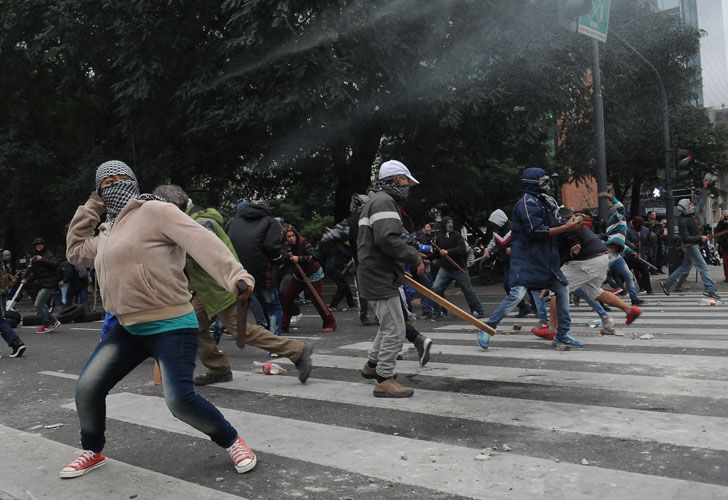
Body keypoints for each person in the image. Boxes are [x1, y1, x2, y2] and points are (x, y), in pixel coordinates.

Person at [63, 160, 258, 479]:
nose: (113, 184)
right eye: (105, 182)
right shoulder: (105, 231)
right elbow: (74, 252)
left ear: (133, 181)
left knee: (180, 401)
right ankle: (92, 449)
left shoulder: (156, 212)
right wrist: (90, 208)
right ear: (98, 191)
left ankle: (232, 440)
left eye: (119, 178)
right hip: (127, 328)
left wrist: (235, 274)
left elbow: (201, 240)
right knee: (87, 388)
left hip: (172, 324)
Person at [152, 184, 314, 386]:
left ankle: (298, 350)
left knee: (242, 331)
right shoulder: (192, 220)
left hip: (222, 285)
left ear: (174, 206)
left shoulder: (200, 223)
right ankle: (218, 368)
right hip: (207, 289)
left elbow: (210, 254)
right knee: (194, 326)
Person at [358, 160, 424, 398]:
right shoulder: (385, 201)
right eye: (406, 180)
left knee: (388, 325)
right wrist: (414, 257)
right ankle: (385, 378)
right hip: (379, 275)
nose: (407, 185)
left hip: (375, 273)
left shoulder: (374, 201)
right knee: (396, 329)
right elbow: (388, 240)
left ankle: (372, 366)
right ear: (397, 180)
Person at [497, 167, 583, 349]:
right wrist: (567, 228)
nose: (547, 182)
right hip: (528, 261)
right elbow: (537, 231)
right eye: (543, 179)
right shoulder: (526, 204)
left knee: (562, 290)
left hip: (547, 260)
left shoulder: (547, 201)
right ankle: (487, 327)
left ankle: (562, 334)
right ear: (532, 182)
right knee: (517, 295)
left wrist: (571, 227)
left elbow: (557, 223)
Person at [227, 199, 284, 334]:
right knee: (273, 307)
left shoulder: (233, 223)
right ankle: (274, 344)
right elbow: (272, 247)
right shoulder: (271, 222)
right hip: (262, 272)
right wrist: (279, 259)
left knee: (231, 305)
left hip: (237, 271)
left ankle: (216, 339)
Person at [660, 196, 720, 299]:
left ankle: (667, 283)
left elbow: (701, 203)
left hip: (694, 245)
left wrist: (704, 189)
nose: (692, 205)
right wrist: (700, 238)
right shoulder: (682, 221)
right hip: (691, 246)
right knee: (703, 266)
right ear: (686, 207)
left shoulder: (692, 214)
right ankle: (709, 289)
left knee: (685, 267)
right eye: (690, 204)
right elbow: (686, 238)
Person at [280, 225, 337, 333]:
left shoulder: (304, 243)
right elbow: (284, 260)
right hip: (299, 276)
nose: (291, 238)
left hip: (313, 274)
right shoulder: (285, 246)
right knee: (287, 296)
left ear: (296, 235)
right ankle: (284, 325)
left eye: (293, 235)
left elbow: (313, 257)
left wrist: (299, 258)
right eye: (288, 236)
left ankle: (330, 323)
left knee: (316, 300)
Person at [431, 218, 485, 318]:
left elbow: (462, 249)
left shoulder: (457, 235)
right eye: (448, 222)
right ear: (444, 224)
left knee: (468, 290)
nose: (451, 224)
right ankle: (439, 311)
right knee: (436, 288)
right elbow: (437, 254)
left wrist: (448, 252)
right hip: (445, 268)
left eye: (452, 222)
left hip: (459, 268)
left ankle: (478, 310)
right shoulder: (439, 237)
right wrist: (426, 256)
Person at [484, 209, 533, 318]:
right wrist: (487, 250)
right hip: (506, 261)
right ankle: (523, 307)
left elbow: (525, 242)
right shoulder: (497, 231)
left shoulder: (515, 228)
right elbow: (494, 241)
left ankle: (536, 305)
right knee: (507, 285)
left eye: (494, 222)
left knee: (527, 284)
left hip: (519, 260)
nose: (493, 225)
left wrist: (514, 248)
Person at [21, 237, 62, 334]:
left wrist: (43, 259)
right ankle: (50, 322)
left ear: (44, 245)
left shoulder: (48, 254)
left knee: (38, 304)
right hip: (42, 284)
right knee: (41, 304)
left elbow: (55, 264)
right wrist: (26, 280)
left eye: (41, 244)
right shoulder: (34, 259)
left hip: (50, 283)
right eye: (37, 245)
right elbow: (33, 273)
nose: (39, 246)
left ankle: (51, 322)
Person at [626, 216, 653, 295]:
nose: (639, 226)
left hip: (641, 256)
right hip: (630, 256)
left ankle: (649, 289)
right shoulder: (627, 230)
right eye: (638, 224)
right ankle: (620, 289)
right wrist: (631, 246)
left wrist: (651, 238)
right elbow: (625, 240)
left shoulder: (645, 230)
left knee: (645, 273)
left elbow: (648, 242)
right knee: (624, 273)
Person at [716, 211, 728, 283]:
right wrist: (721, 222)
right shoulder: (722, 223)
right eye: (726, 216)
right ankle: (727, 277)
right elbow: (717, 230)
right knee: (726, 263)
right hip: (724, 245)